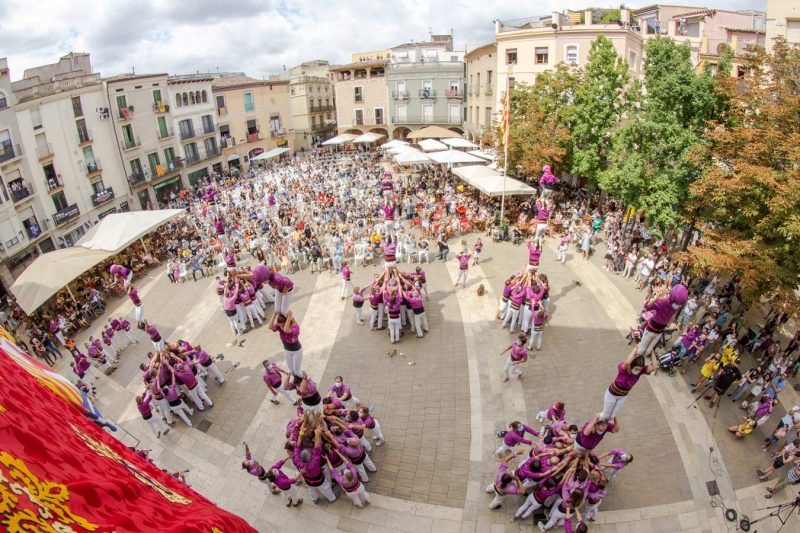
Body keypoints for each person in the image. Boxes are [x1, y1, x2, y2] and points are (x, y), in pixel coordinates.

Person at [600, 353, 653, 421]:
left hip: (622, 396)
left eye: (640, 369)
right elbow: (627, 362)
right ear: (631, 366)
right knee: (605, 415)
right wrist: (636, 347)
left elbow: (654, 366)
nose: (638, 371)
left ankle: (604, 424)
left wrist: (652, 352)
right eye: (636, 369)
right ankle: (594, 422)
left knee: (612, 416)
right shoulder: (623, 370)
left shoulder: (639, 373)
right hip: (612, 394)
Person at [269, 311, 303, 377]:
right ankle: (298, 382)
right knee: (292, 371)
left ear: (288, 322)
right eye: (280, 325)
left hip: (297, 351)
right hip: (287, 350)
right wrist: (275, 313)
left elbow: (286, 330)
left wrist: (289, 316)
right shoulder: (280, 326)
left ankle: (306, 379)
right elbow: (270, 327)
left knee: (297, 372)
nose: (281, 327)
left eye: (283, 325)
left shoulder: (295, 327)